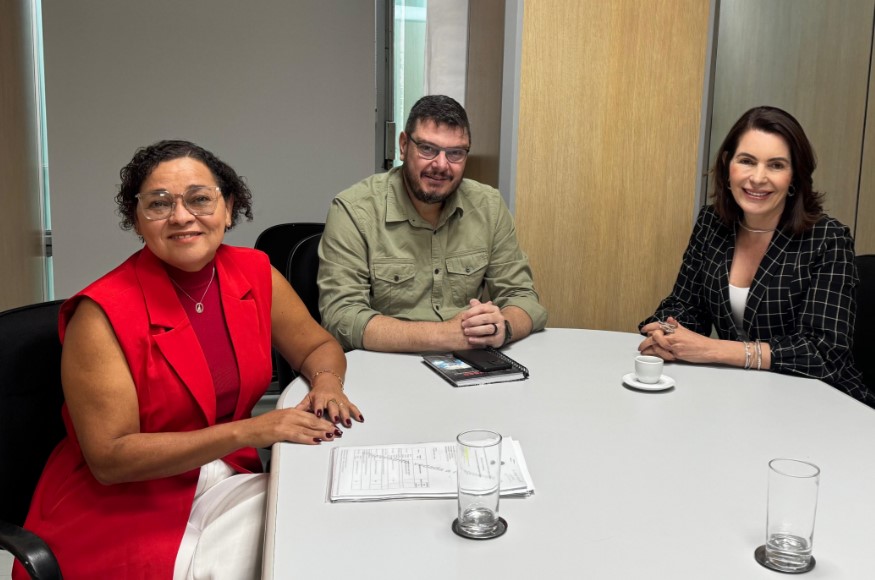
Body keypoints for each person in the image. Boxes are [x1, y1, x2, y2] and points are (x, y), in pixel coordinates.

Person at [15, 140, 363, 580]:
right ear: (137, 219)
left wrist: (327, 382)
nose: (181, 216)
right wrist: (252, 430)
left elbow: (316, 348)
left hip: (222, 477)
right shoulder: (100, 315)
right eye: (159, 204)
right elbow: (110, 458)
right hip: (123, 506)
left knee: (313, 526)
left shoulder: (255, 272)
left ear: (228, 208)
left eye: (199, 199)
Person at [638, 106, 870, 406]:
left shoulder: (828, 238)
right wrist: (667, 330)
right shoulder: (712, 223)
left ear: (794, 176)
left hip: (820, 402)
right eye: (747, 161)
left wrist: (712, 349)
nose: (758, 178)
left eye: (776, 165)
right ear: (728, 165)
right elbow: (686, 305)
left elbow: (824, 353)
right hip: (740, 395)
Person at [318, 95, 547, 352]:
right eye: (427, 149)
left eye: (455, 153)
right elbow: (341, 317)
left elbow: (523, 297)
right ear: (403, 146)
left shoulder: (489, 206)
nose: (441, 165)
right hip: (385, 362)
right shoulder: (353, 210)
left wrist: (501, 328)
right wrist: (444, 335)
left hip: (468, 359)